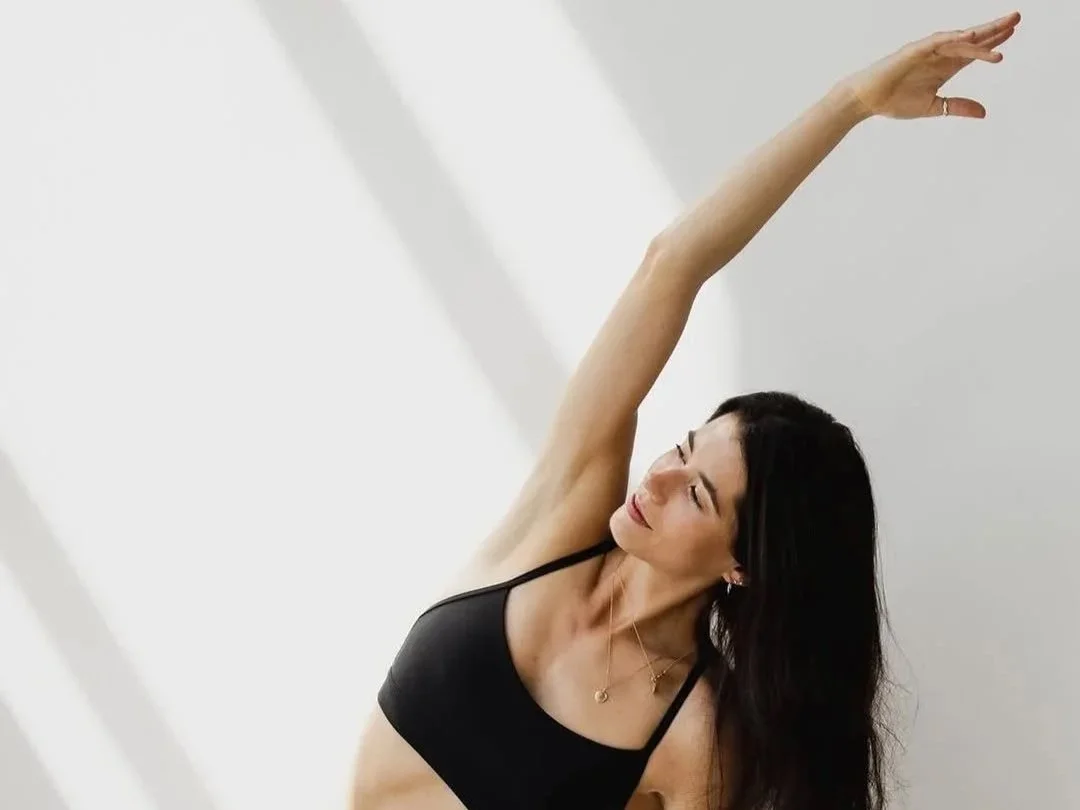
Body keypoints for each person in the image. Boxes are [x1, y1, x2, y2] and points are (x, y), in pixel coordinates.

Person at [350, 12, 1021, 810]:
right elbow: (670, 268)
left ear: (744, 565)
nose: (661, 478)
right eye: (683, 450)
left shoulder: (695, 738)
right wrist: (850, 103)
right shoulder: (560, 522)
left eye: (698, 493)